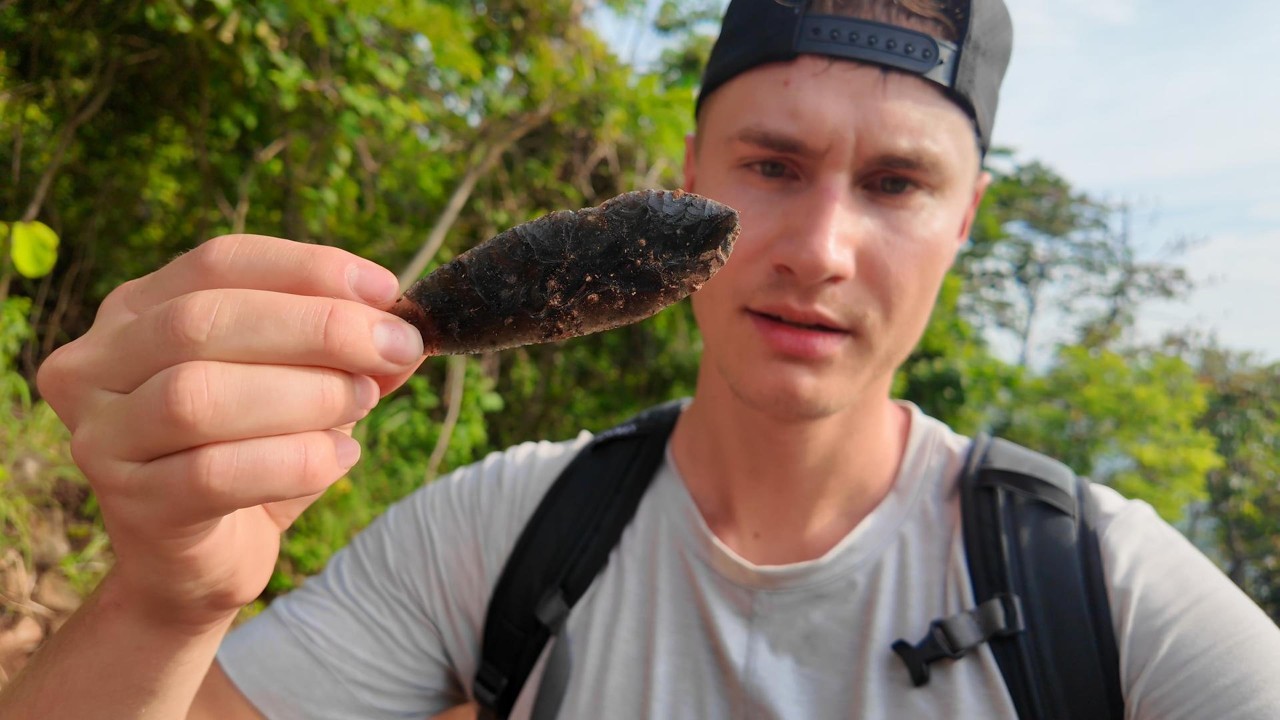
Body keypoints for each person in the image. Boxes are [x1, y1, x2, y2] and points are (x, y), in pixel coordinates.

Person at [4, 0, 1279, 718]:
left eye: (894, 184)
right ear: (685, 179)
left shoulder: (1096, 594)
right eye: (770, 166)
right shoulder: (500, 535)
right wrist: (162, 601)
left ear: (963, 221)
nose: (819, 248)